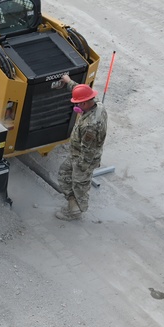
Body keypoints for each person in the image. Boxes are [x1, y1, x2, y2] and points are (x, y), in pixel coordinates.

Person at [55, 74, 108, 221]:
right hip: (77, 155)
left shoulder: (90, 125)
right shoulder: (98, 105)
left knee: (80, 185)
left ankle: (76, 211)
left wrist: (81, 169)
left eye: (77, 104)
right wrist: (69, 82)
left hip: (84, 159)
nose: (76, 106)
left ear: (84, 104)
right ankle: (73, 204)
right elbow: (83, 93)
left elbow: (88, 151)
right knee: (64, 175)